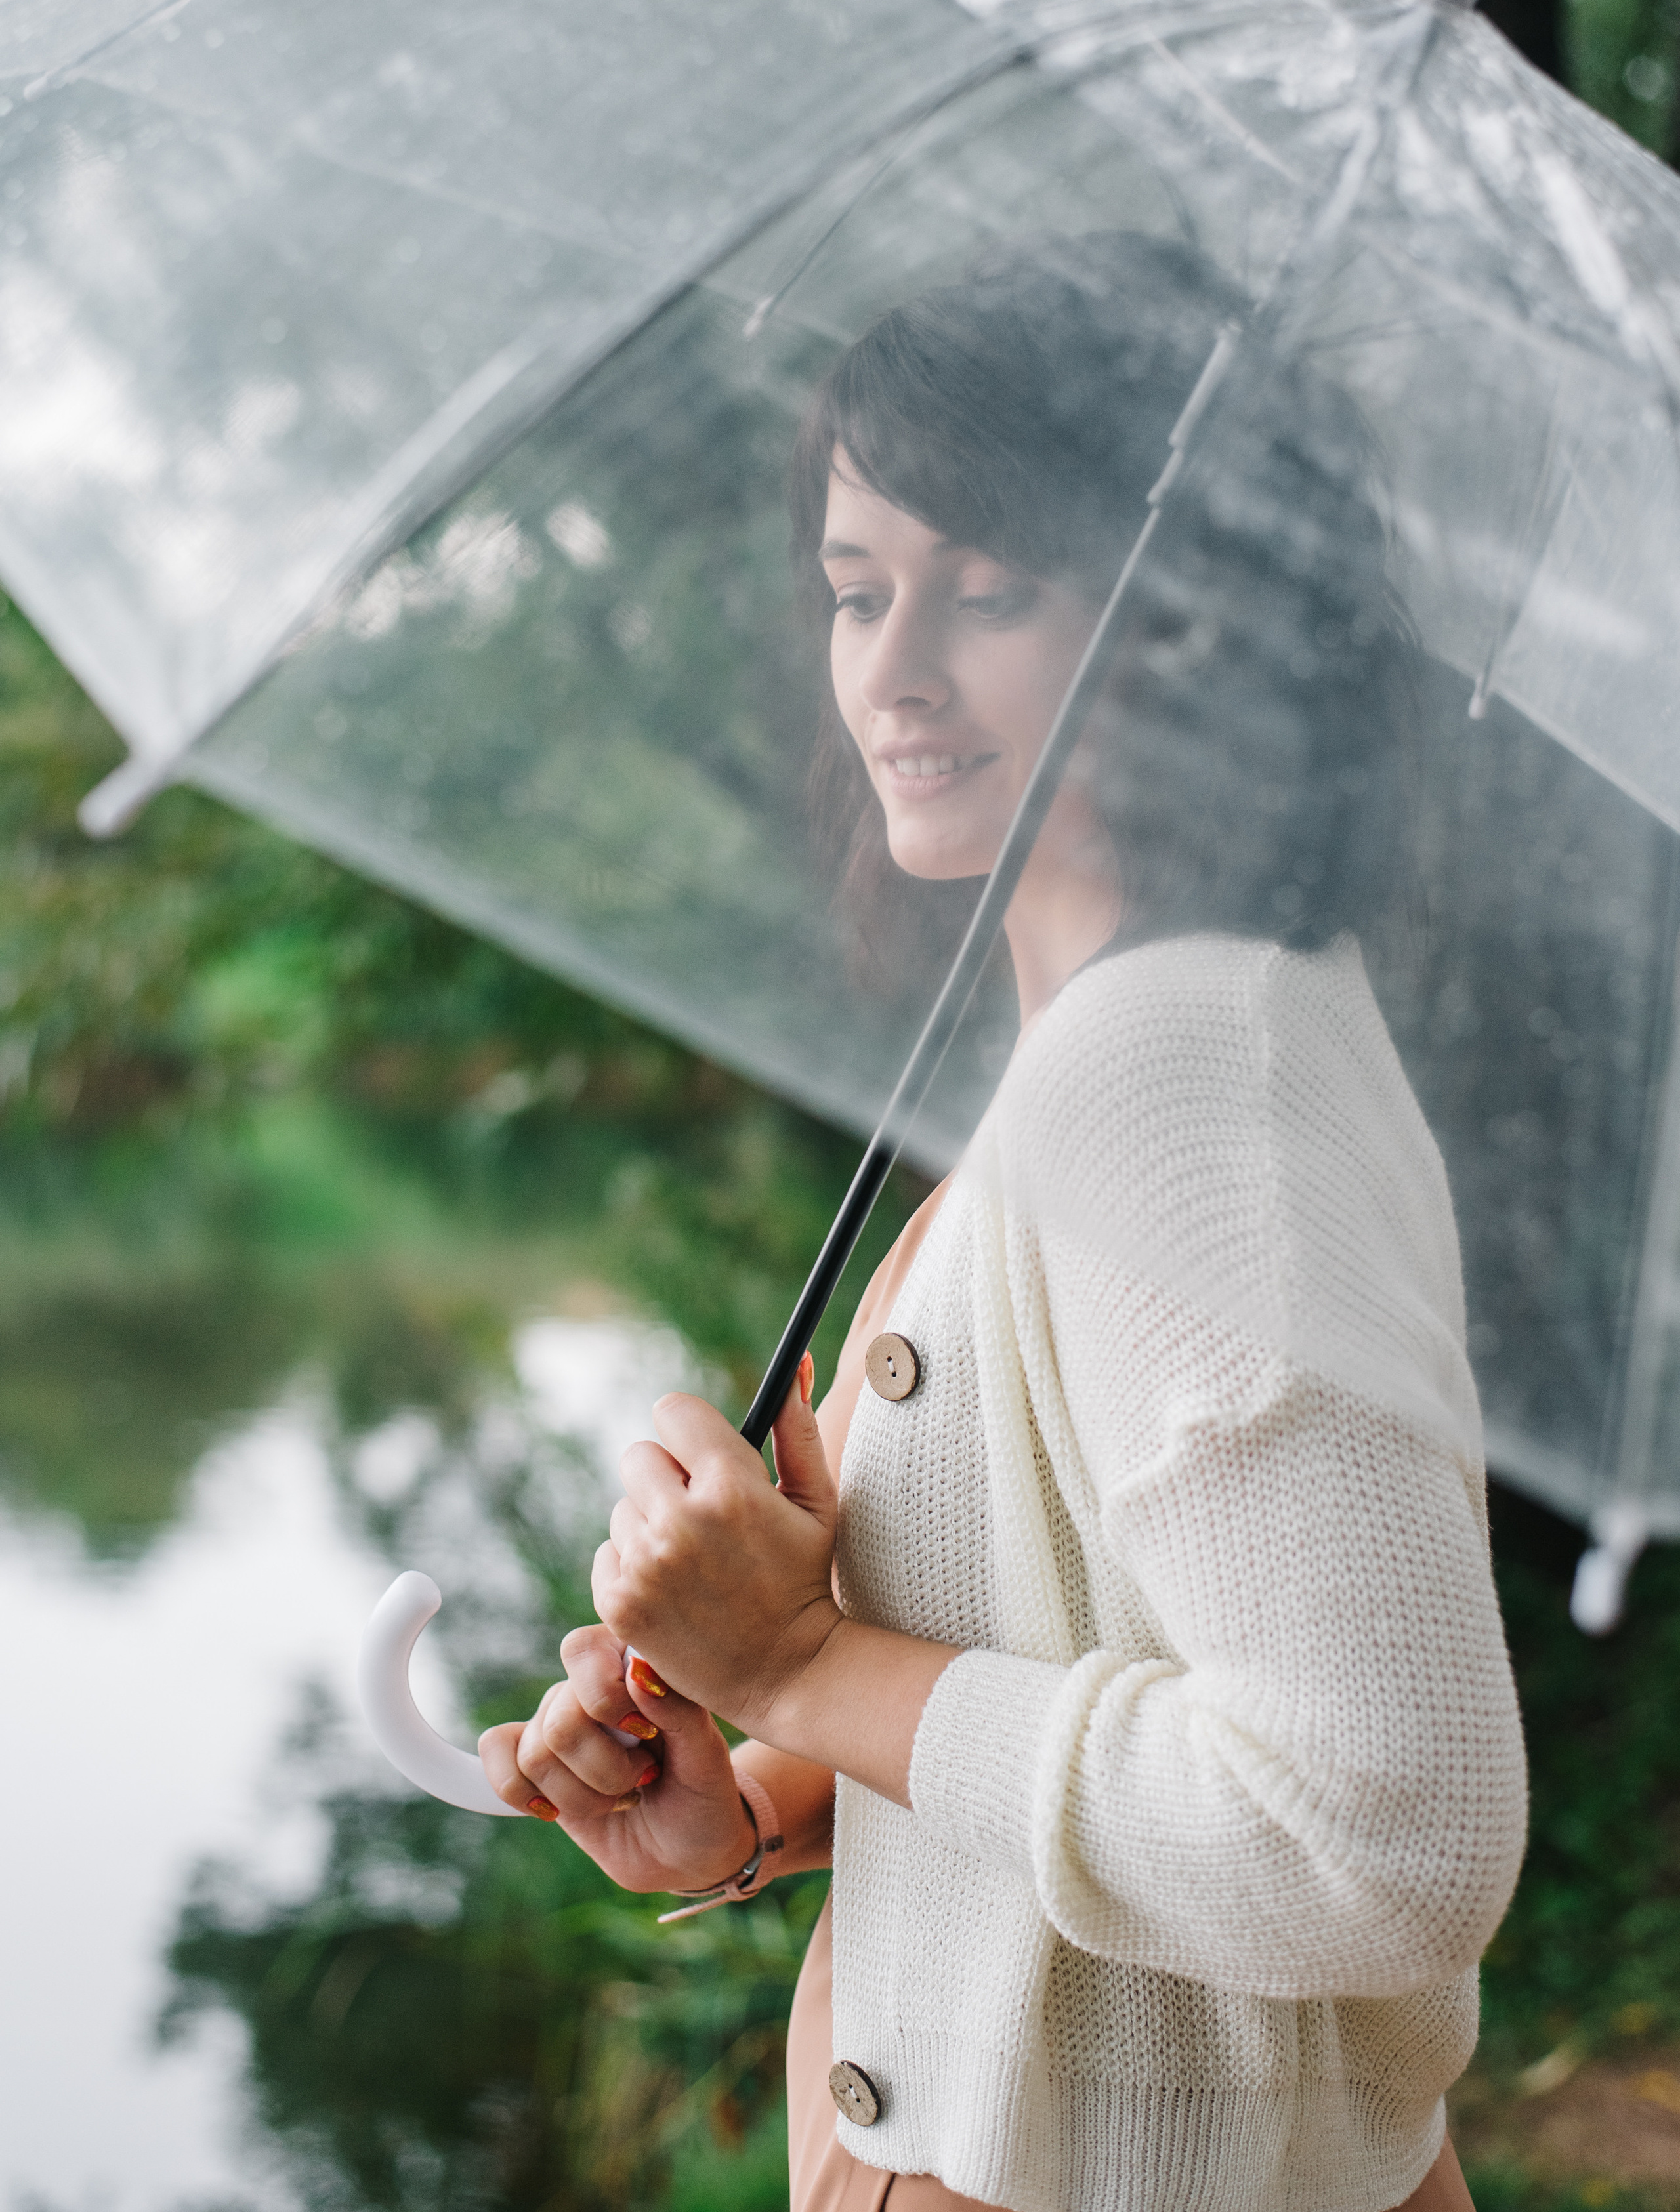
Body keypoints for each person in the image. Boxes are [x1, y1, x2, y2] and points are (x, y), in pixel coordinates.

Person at [480, 238, 1528, 2212]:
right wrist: (769, 1794)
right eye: (858, 588)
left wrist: (793, 1658)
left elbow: (1388, 1840)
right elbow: (1098, 1648)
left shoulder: (1173, 1072)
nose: (891, 669)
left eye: (992, 591)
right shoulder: (1144, 1030)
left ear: (1185, 626)